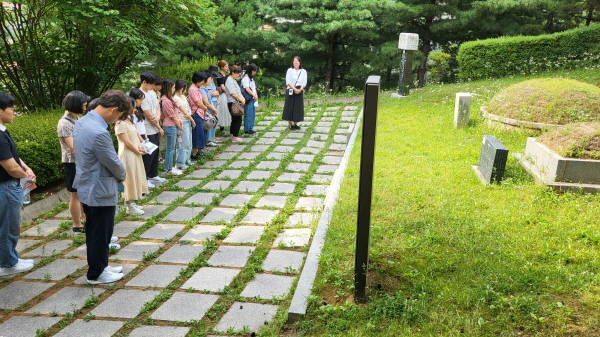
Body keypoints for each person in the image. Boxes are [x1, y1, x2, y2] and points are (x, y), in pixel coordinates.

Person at [73, 90, 130, 285]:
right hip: (99, 187)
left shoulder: (83, 121)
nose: (117, 120)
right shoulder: (98, 132)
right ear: (113, 110)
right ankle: (96, 274)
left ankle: (102, 265)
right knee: (100, 231)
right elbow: (113, 162)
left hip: (88, 184)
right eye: (118, 116)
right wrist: (123, 175)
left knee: (96, 230)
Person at [0, 92, 36, 277]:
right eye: (12, 109)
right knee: (8, 226)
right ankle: (7, 263)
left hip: (8, 186)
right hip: (5, 187)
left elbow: (13, 157)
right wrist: (26, 176)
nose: (14, 113)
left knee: (8, 225)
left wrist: (25, 167)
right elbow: (10, 167)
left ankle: (10, 257)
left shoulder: (2, 130)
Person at [57, 90, 90, 233]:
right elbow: (73, 148)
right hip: (72, 163)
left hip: (81, 162)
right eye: (83, 105)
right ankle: (77, 225)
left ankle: (84, 220)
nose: (85, 108)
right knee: (76, 193)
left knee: (83, 193)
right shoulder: (64, 123)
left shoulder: (76, 119)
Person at [116, 96, 149, 215]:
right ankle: (128, 204)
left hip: (135, 152)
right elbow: (127, 142)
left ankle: (130, 202)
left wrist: (141, 146)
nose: (135, 110)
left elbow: (135, 136)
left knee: (134, 176)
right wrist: (137, 150)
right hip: (127, 154)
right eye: (133, 107)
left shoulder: (129, 120)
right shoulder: (119, 123)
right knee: (128, 179)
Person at [139, 71, 166, 186]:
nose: (152, 87)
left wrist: (158, 118)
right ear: (144, 82)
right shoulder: (140, 95)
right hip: (147, 129)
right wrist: (159, 126)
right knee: (148, 154)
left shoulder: (151, 93)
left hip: (155, 126)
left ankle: (153, 174)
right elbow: (148, 115)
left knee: (155, 152)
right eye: (150, 84)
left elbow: (157, 107)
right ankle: (145, 179)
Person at [160, 78, 183, 175]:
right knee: (170, 148)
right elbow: (172, 116)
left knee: (172, 147)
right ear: (168, 88)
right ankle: (168, 169)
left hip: (174, 125)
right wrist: (179, 126)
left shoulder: (170, 98)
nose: (174, 89)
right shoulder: (165, 100)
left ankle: (170, 167)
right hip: (170, 125)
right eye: (173, 88)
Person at [173, 79, 194, 170]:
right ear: (180, 88)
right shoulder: (176, 98)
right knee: (183, 143)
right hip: (182, 122)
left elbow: (188, 108)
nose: (185, 90)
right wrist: (189, 114)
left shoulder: (183, 97)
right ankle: (180, 162)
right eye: (184, 88)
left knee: (189, 142)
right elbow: (184, 110)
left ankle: (187, 159)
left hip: (187, 120)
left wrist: (190, 115)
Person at [283, 56, 307, 130]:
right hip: (291, 89)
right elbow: (288, 82)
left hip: (299, 89)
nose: (296, 63)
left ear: (300, 62)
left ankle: (296, 124)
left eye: (297, 61)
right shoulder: (290, 70)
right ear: (292, 62)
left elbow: (304, 82)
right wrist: (294, 89)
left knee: (297, 107)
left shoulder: (303, 71)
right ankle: (290, 124)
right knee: (289, 107)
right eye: (294, 61)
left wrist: (300, 89)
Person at [189, 71, 208, 160]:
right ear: (197, 80)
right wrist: (205, 107)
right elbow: (197, 102)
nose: (203, 82)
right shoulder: (192, 89)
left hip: (200, 113)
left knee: (200, 133)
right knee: (196, 134)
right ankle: (194, 153)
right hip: (196, 113)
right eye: (202, 81)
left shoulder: (197, 88)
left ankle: (197, 151)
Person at [225, 65, 246, 142]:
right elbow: (233, 93)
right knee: (237, 119)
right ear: (233, 72)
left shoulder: (233, 80)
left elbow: (238, 92)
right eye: (237, 73)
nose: (238, 75)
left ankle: (233, 135)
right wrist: (241, 100)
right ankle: (234, 136)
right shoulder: (229, 80)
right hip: (233, 102)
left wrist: (242, 98)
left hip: (236, 102)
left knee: (236, 119)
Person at [201, 71, 219, 147]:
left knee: (212, 122)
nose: (211, 81)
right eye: (209, 80)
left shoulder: (205, 89)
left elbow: (216, 93)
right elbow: (207, 102)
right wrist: (214, 109)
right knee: (207, 124)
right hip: (207, 109)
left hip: (211, 106)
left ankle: (210, 139)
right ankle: (208, 140)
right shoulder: (203, 89)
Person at [241, 63, 259, 135]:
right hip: (248, 98)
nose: (255, 72)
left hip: (252, 97)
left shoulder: (251, 78)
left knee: (252, 114)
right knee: (248, 114)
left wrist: (256, 95)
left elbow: (254, 88)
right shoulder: (245, 78)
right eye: (254, 71)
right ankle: (247, 129)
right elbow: (247, 88)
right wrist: (254, 95)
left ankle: (251, 128)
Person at [216, 60, 231, 135]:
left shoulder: (225, 75)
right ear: (222, 67)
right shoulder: (220, 75)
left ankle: (223, 126)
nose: (227, 68)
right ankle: (221, 127)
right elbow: (223, 87)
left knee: (225, 109)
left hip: (225, 94)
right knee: (222, 109)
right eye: (225, 66)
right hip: (222, 94)